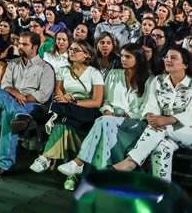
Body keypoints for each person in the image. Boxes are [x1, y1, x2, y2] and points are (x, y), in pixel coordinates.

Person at [57, 43, 151, 179]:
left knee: (104, 123)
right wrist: (107, 111)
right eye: (122, 56)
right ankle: (104, 177)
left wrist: (128, 116)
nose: (123, 59)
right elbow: (105, 101)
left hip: (136, 124)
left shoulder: (150, 80)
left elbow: (148, 108)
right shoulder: (113, 74)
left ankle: (79, 162)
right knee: (106, 127)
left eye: (128, 56)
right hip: (112, 120)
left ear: (138, 59)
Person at [112, 46, 192, 181]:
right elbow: (150, 104)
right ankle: (163, 191)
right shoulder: (159, 81)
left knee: (161, 128)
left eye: (173, 58)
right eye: (166, 57)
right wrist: (151, 117)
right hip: (163, 132)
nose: (168, 60)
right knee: (161, 148)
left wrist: (169, 120)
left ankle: (131, 162)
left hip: (187, 132)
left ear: (185, 64)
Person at [0, 32, 56, 178]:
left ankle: (3, 164)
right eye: (19, 43)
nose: (20, 47)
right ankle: (18, 113)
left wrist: (23, 97)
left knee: (7, 114)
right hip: (13, 100)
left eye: (24, 44)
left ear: (35, 47)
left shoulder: (46, 68)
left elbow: (43, 95)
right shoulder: (13, 64)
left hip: (34, 105)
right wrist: (16, 95)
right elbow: (5, 85)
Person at [29, 40, 104, 176]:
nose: (72, 52)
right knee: (63, 122)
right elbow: (58, 92)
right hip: (67, 108)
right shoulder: (63, 70)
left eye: (76, 50)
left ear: (87, 55)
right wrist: (64, 98)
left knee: (61, 117)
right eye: (71, 49)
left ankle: (46, 157)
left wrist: (74, 101)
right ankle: (52, 161)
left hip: (85, 109)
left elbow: (97, 102)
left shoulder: (94, 73)